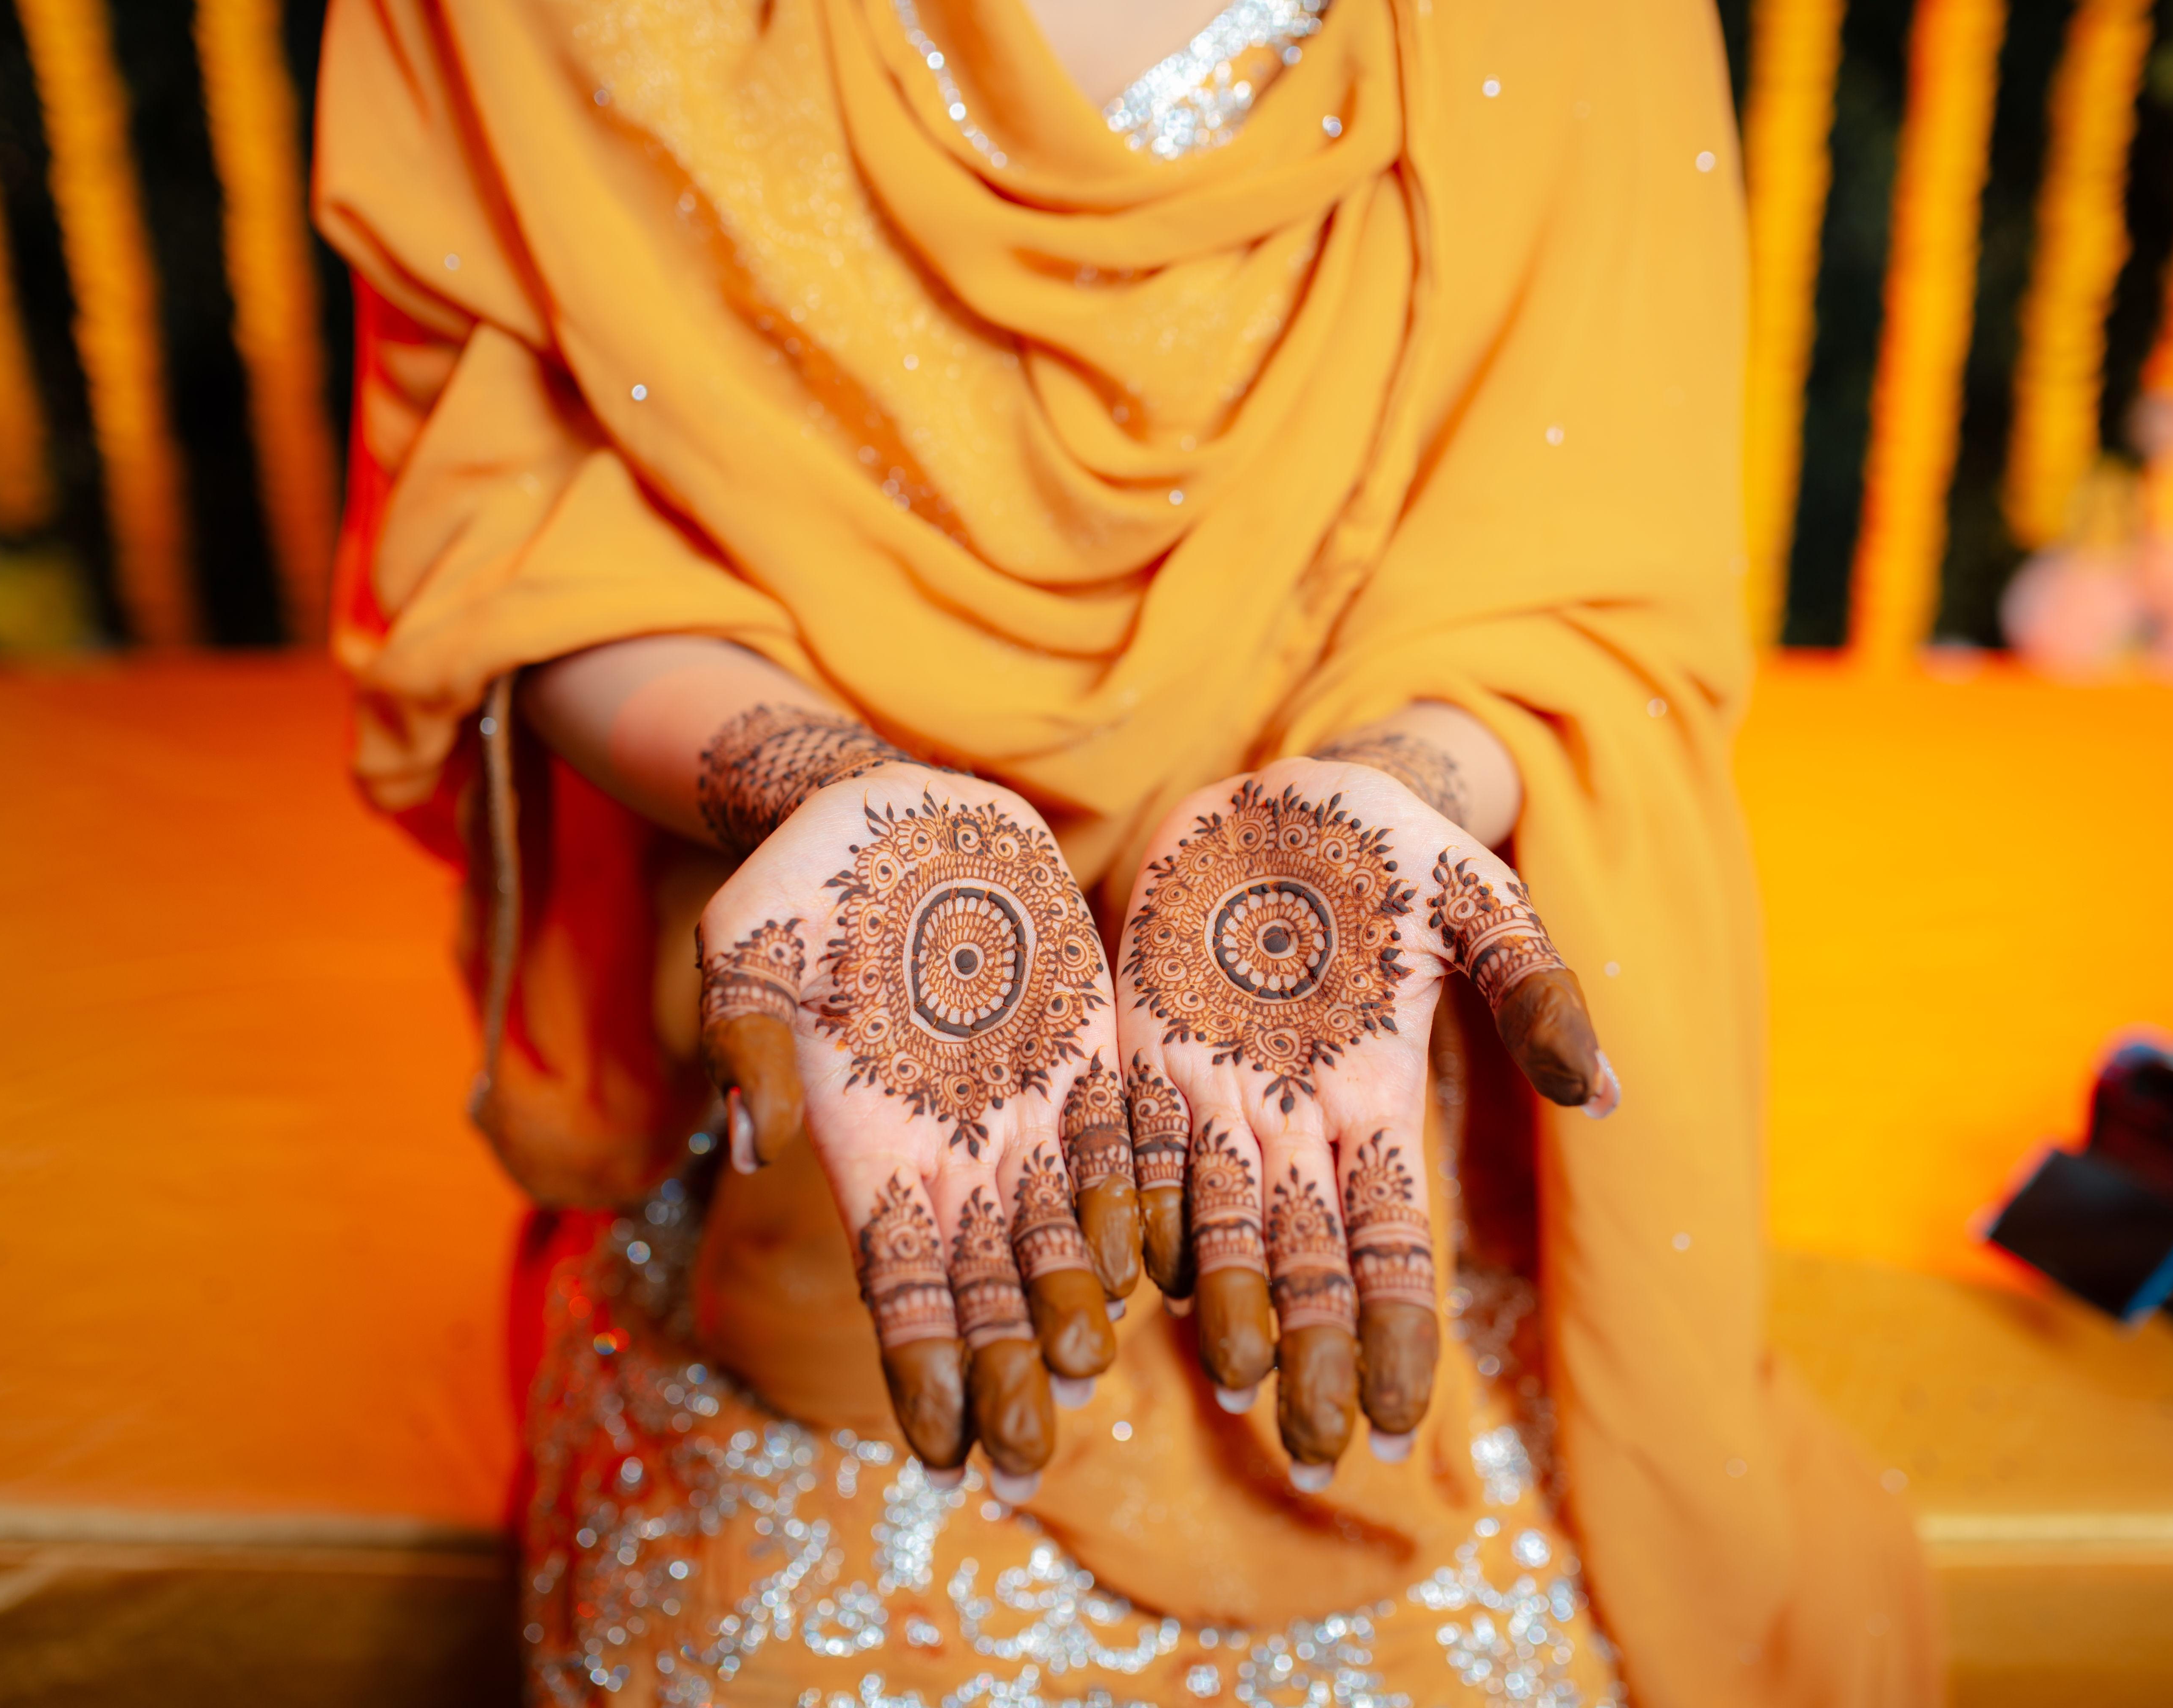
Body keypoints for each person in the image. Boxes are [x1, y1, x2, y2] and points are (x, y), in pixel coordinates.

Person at [315, 0, 1940, 1701]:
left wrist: (1369, 807)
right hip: (831, 1135)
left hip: (1359, 1115)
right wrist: (837, 797)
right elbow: (509, 524)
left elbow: (1591, 592)